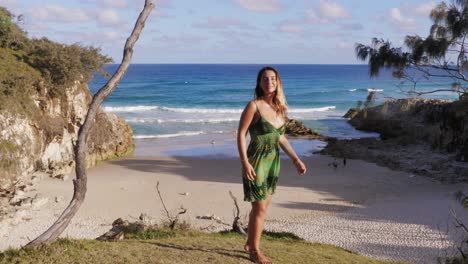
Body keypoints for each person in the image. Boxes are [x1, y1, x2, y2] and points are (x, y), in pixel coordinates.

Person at [237, 66, 307, 264]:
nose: (269, 82)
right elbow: (241, 134)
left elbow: (281, 137)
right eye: (265, 79)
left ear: (278, 83)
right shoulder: (254, 106)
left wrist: (295, 159)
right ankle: (255, 251)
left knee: (261, 209)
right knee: (259, 209)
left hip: (273, 163)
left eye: (273, 79)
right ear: (259, 83)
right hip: (256, 162)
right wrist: (244, 162)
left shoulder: (279, 109)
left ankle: (250, 244)